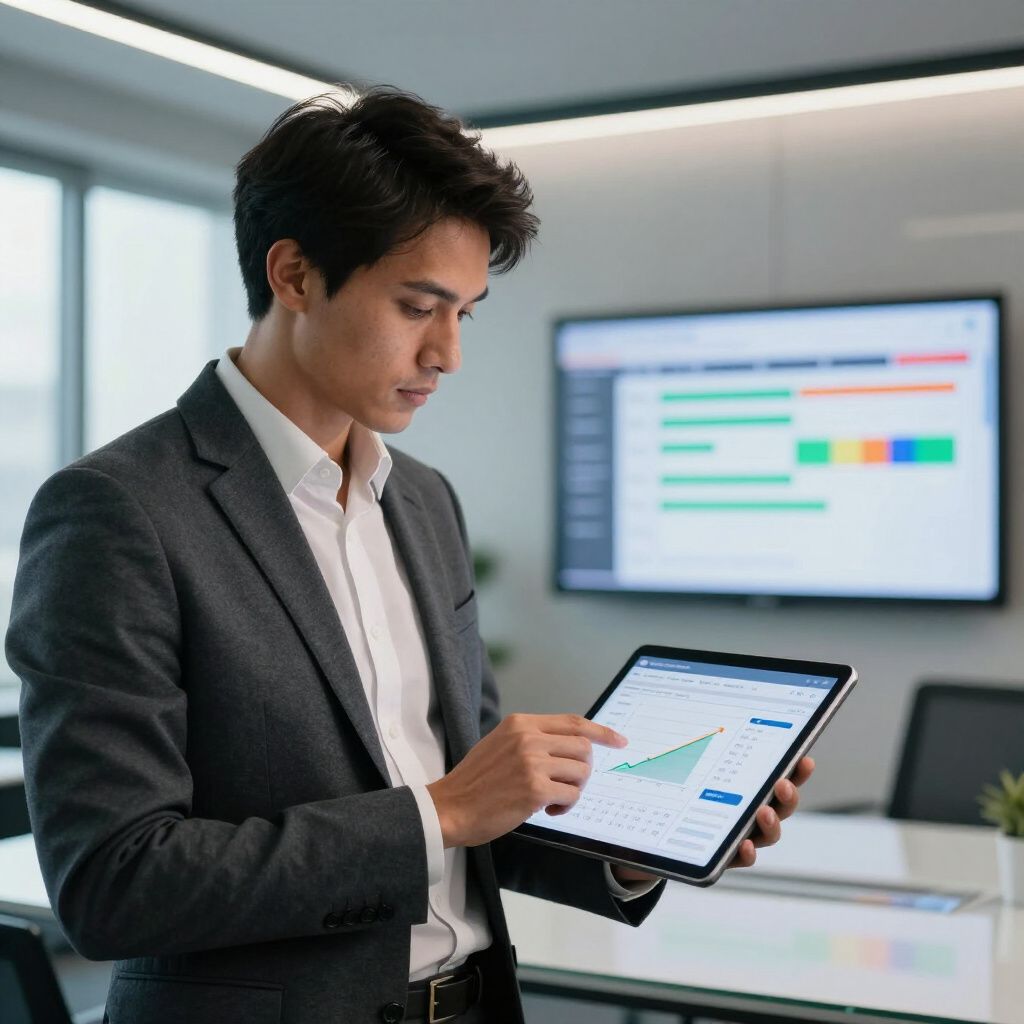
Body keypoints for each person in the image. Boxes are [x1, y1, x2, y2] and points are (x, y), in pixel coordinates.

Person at [6, 86, 813, 1024]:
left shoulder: (424, 500)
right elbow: (114, 882)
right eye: (418, 306)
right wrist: (443, 811)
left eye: (466, 312)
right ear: (294, 275)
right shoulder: (118, 511)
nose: (447, 354)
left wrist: (640, 850)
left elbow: (475, 813)